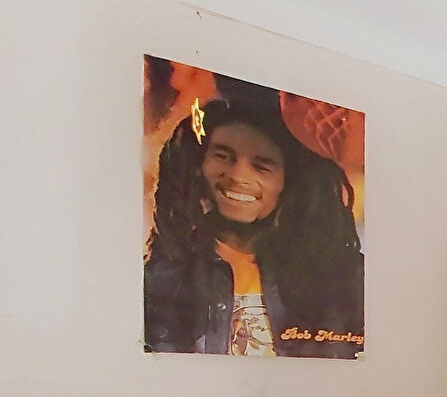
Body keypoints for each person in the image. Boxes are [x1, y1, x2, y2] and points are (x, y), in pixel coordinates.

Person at [144, 93, 364, 359]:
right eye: (223, 156)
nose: (238, 176)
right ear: (198, 166)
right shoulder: (156, 279)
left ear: (290, 184)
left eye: (262, 167)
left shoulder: (346, 278)